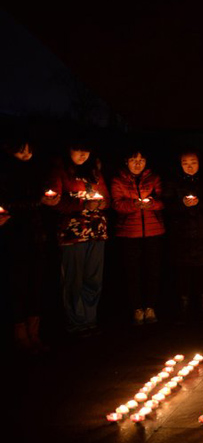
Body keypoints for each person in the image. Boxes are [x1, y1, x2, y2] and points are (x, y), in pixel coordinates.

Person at [44, 140, 109, 335]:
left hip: (96, 232)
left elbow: (106, 199)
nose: (82, 155)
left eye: (86, 150)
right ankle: (76, 321)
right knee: (74, 280)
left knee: (93, 279)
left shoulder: (95, 172)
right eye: (78, 150)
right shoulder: (60, 171)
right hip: (73, 233)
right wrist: (82, 205)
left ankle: (90, 319)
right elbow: (55, 201)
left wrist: (100, 204)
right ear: (68, 150)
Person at [0, 139, 50, 352]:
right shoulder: (5, 173)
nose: (26, 156)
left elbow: (42, 199)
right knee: (17, 284)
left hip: (35, 234)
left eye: (29, 152)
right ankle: (20, 335)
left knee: (36, 283)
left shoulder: (38, 172)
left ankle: (35, 333)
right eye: (21, 152)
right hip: (14, 235)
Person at [111, 148, 166, 325]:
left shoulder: (154, 178)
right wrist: (134, 205)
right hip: (129, 232)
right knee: (132, 272)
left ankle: (150, 307)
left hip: (153, 230)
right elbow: (117, 204)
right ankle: (136, 308)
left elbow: (163, 200)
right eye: (134, 160)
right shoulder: (118, 180)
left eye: (142, 160)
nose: (138, 164)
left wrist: (152, 203)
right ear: (126, 161)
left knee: (153, 270)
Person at [164, 150, 203, 323]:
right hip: (181, 237)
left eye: (193, 162)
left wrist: (200, 203)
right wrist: (182, 205)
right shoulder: (173, 182)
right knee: (182, 276)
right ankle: (183, 311)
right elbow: (166, 207)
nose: (190, 166)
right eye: (185, 163)